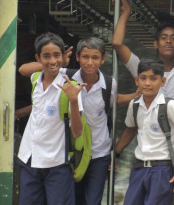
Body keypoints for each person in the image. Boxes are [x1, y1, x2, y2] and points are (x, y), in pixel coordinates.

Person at [18, 36, 140, 205]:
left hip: (97, 151)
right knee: (74, 198)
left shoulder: (106, 84)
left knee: (91, 200)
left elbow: (112, 100)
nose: (90, 62)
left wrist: (133, 97)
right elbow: (39, 97)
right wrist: (58, 63)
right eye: (85, 57)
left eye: (95, 57)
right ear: (77, 57)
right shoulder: (62, 75)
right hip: (73, 152)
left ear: (103, 59)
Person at [112, 0, 174, 204]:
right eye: (163, 37)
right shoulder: (144, 69)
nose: (168, 41)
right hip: (151, 160)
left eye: (173, 38)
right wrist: (125, 12)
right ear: (155, 43)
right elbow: (117, 44)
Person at [115, 58, 174, 205]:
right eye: (143, 78)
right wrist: (115, 153)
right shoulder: (134, 105)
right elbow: (131, 129)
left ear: (162, 82)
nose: (147, 83)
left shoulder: (169, 105)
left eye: (153, 79)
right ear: (136, 80)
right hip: (138, 169)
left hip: (162, 170)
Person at [17, 32, 85, 205]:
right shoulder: (35, 80)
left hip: (56, 163)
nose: (52, 61)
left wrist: (74, 101)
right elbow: (22, 69)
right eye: (46, 56)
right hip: (29, 159)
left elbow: (77, 132)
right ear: (38, 58)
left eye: (57, 55)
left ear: (63, 56)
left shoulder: (71, 87)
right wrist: (45, 64)